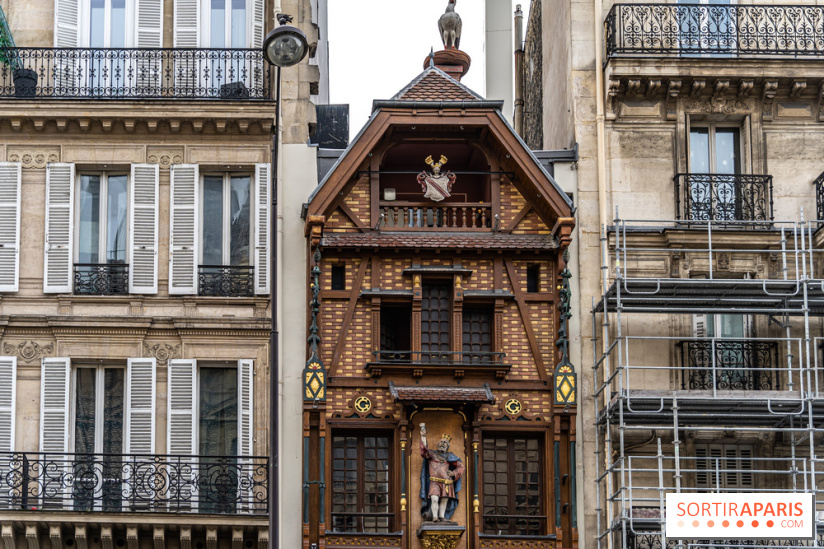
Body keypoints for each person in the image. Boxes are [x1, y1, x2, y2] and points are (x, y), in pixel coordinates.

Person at [419, 423, 464, 522]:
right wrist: (423, 436)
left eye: (445, 443)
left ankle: (441, 517)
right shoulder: (432, 454)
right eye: (441, 442)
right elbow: (424, 451)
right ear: (438, 444)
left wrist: (454, 473)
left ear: (447, 447)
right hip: (434, 481)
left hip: (447, 482)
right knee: (434, 499)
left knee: (444, 500)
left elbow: (461, 466)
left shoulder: (450, 456)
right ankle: (435, 517)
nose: (442, 444)